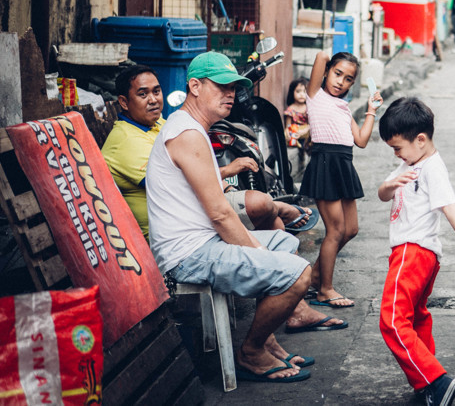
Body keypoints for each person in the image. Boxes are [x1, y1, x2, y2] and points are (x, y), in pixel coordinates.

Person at [147, 52, 330, 383]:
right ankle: (251, 352)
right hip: (187, 255)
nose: (230, 94)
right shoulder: (187, 133)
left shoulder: (192, 128)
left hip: (204, 243)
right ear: (195, 86)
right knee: (299, 273)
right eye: (221, 87)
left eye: (234, 88)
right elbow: (219, 213)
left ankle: (267, 339)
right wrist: (255, 251)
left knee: (286, 241)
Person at [103, 65, 317, 239]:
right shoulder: (124, 140)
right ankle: (280, 211)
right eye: (143, 94)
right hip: (174, 227)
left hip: (190, 211)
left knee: (274, 224)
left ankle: (279, 278)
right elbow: (175, 180)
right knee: (261, 205)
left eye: (156, 91)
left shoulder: (159, 123)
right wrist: (229, 170)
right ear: (123, 102)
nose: (153, 99)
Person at [376, 97, 455, 406]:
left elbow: (449, 205)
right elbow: (382, 193)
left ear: (421, 140)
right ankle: (427, 386)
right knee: (415, 319)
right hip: (420, 256)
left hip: (412, 253)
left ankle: (436, 382)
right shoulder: (410, 162)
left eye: (398, 147)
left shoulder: (431, 169)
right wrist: (391, 183)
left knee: (392, 320)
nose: (396, 154)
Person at [300, 51, 382, 308]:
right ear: (326, 72)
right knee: (335, 231)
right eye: (337, 74)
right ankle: (325, 289)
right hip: (325, 163)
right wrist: (339, 59)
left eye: (348, 79)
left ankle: (314, 276)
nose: (341, 82)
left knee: (351, 230)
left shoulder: (343, 107)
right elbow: (321, 55)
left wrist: (371, 110)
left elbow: (361, 141)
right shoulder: (315, 96)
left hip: (344, 164)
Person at [284, 78, 311, 188]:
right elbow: (288, 126)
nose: (301, 95)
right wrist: (289, 133)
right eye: (298, 91)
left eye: (304, 92)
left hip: (307, 133)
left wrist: (305, 130)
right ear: (292, 92)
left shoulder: (308, 108)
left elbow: (311, 124)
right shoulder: (291, 109)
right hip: (296, 133)